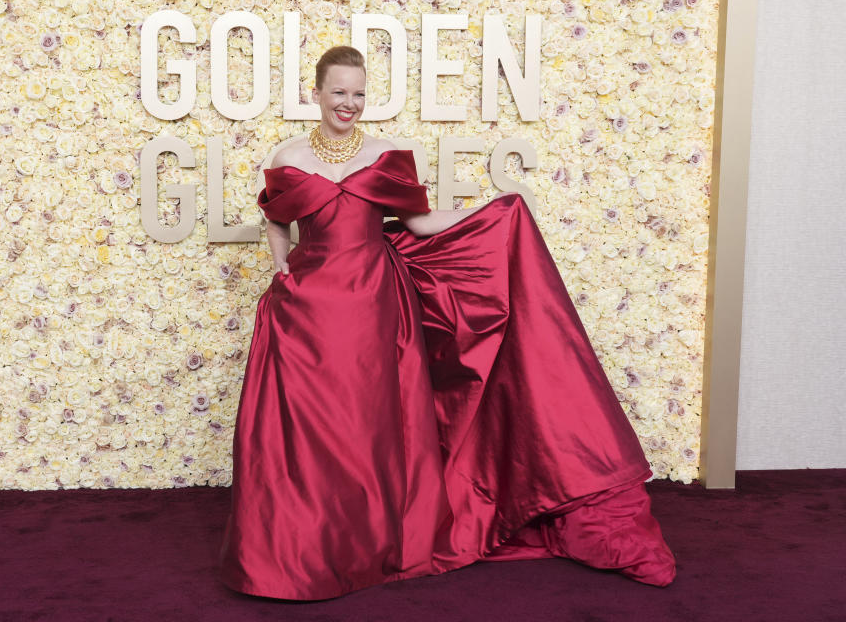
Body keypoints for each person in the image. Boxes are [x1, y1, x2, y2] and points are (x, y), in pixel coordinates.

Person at [218, 46, 676, 601]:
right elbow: (275, 218)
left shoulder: (386, 156)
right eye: (339, 92)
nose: (350, 103)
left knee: (371, 424)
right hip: (308, 309)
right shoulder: (287, 153)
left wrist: (494, 209)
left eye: (359, 93)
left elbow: (421, 221)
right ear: (315, 93)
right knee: (314, 429)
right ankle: (309, 547)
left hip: (374, 305)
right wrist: (281, 267)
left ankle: (375, 542)